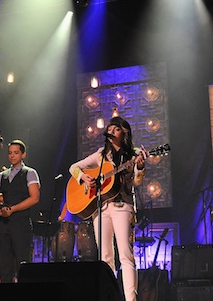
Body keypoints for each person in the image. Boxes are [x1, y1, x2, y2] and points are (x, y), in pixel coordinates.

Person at [68, 116, 146, 301]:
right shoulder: (101, 155)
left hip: (122, 206)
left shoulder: (133, 154)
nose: (111, 131)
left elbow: (137, 181)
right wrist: (84, 178)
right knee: (105, 257)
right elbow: (74, 167)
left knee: (126, 256)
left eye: (115, 128)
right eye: (109, 128)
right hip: (100, 209)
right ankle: (109, 296)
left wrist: (140, 168)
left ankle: (130, 298)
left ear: (124, 132)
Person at [0, 140, 40, 282]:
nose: (12, 156)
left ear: (23, 155)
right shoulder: (1, 175)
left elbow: (34, 198)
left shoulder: (30, 173)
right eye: (10, 153)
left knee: (23, 264)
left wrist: (13, 209)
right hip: (3, 225)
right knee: (4, 265)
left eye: (16, 153)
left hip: (20, 223)